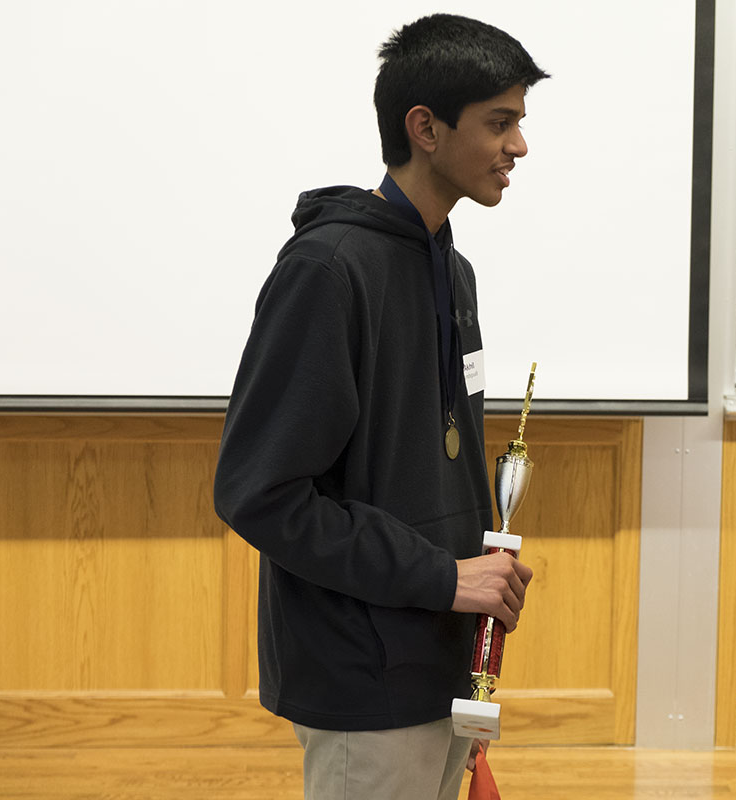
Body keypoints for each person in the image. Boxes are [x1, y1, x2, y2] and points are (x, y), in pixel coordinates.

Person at [213, 14, 548, 800]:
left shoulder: (451, 271)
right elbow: (260, 493)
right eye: (500, 123)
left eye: (520, 123)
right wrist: (441, 576)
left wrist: (473, 582)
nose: (519, 147)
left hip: (439, 663)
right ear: (424, 128)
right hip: (362, 683)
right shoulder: (327, 273)